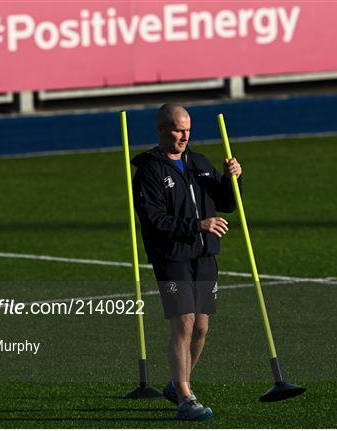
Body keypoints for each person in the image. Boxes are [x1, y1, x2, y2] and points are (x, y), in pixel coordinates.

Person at [132, 104, 242, 420]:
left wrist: (233, 179)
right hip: (171, 256)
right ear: (162, 131)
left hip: (204, 254)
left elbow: (227, 204)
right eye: (178, 130)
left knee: (202, 326)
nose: (184, 137)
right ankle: (185, 396)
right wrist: (198, 225)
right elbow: (154, 221)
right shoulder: (149, 172)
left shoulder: (200, 163)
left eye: (188, 130)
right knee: (184, 322)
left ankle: (178, 384)